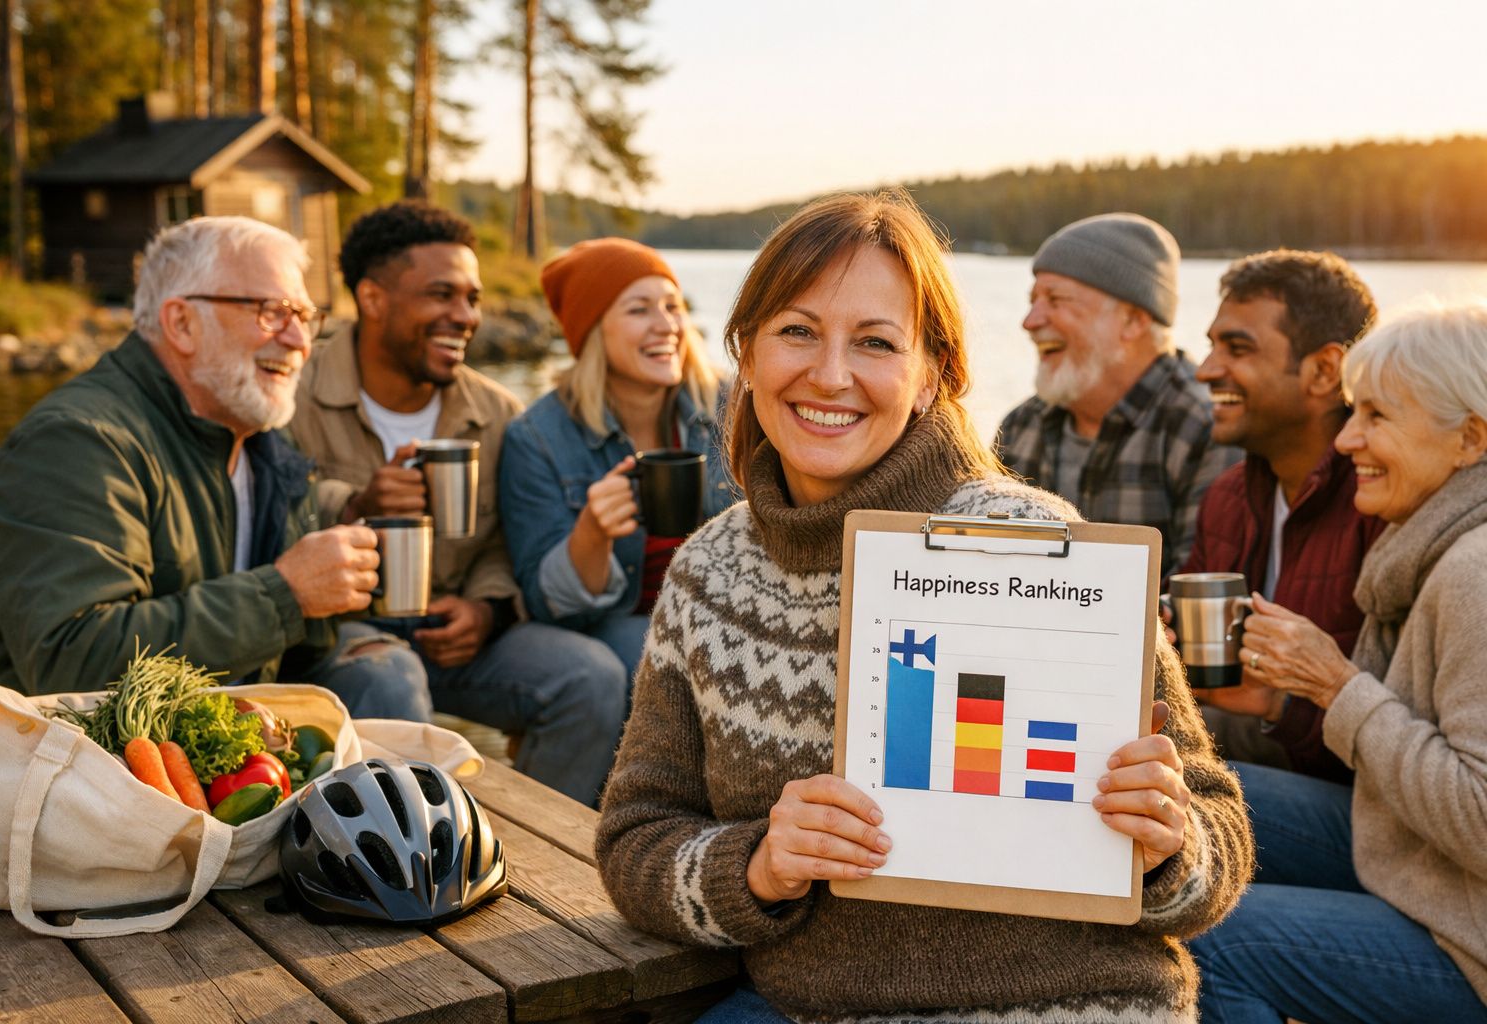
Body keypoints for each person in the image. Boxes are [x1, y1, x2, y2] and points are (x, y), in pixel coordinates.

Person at [595, 190, 1253, 1022]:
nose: (830, 375)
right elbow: (633, 839)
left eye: (875, 342)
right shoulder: (710, 572)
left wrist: (1168, 844)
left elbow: (1216, 838)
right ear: (746, 354)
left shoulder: (1043, 547)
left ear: (929, 376)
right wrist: (757, 865)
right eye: (797, 331)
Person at [0, 216, 425, 718]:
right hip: (33, 761)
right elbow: (72, 661)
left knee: (386, 672)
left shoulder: (262, 441)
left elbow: (282, 635)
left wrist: (345, 583)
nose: (299, 341)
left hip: (188, 729)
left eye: (306, 317)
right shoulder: (76, 441)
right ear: (181, 323)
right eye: (271, 311)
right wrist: (286, 594)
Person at [1188, 304, 1487, 1024]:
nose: (1348, 439)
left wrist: (1339, 685)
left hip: (1467, 938)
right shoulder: (1427, 543)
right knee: (1196, 798)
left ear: (1469, 439)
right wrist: (1283, 704)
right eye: (1354, 413)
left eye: (1378, 417)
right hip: (1424, 866)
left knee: (1204, 938)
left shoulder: (1475, 572)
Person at [288, 200, 624, 806]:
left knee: (590, 676)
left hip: (458, 636)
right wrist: (353, 503)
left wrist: (487, 610)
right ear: (372, 299)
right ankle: (407, 863)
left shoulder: (496, 412)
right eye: (441, 295)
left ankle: (533, 852)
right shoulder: (296, 395)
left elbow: (506, 545)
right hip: (341, 635)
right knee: (388, 676)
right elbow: (263, 525)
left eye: (471, 298)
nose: (465, 316)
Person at [1180, 250, 1384, 782]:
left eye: (1237, 348)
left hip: (1369, 813)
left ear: (1324, 371)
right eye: (1210, 345)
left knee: (1179, 804)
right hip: (1252, 764)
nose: (1205, 370)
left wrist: (1279, 706)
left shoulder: (1381, 503)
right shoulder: (1227, 497)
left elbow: (1401, 733)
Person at [499, 238, 736, 682]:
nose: (667, 325)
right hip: (621, 624)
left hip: (727, 610)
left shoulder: (734, 406)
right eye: (639, 309)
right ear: (592, 331)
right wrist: (592, 534)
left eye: (673, 306)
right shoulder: (538, 437)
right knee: (652, 657)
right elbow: (547, 607)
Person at [997, 212, 1239, 574]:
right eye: (1033, 300)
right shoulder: (1021, 426)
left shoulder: (1204, 425)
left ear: (1132, 320)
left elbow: (1195, 594)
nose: (1030, 321)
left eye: (1055, 299)